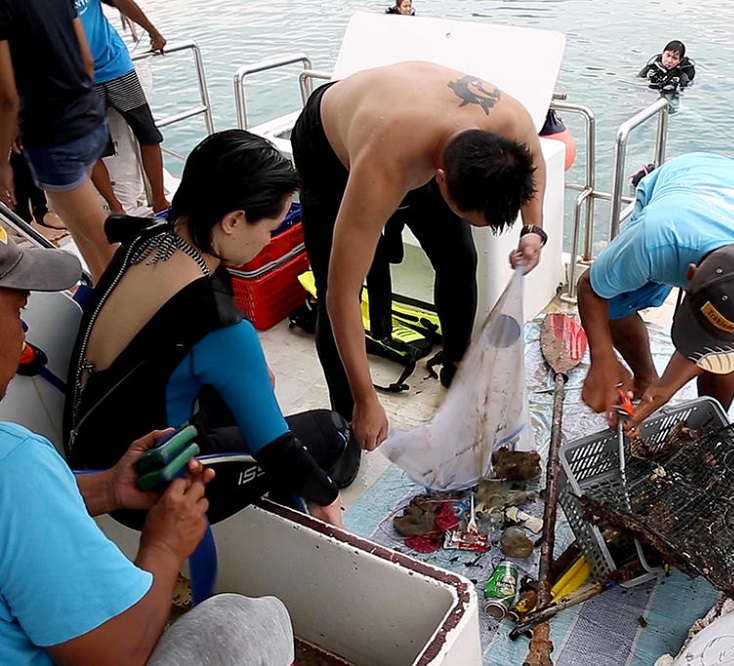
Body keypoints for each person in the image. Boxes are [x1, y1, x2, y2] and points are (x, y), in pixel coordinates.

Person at [0, 230, 295, 664]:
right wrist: (165, 546)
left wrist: (107, 488)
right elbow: (117, 655)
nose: (26, 335)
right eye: (17, 312)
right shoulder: (15, 463)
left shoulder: (138, 252)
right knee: (250, 619)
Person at [64, 130, 359, 529]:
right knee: (332, 432)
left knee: (249, 387)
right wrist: (325, 494)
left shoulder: (145, 240)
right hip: (148, 485)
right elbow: (277, 449)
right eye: (270, 227)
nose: (269, 240)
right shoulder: (218, 325)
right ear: (234, 220)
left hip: (90, 451)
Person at [291, 61, 547, 451]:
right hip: (329, 143)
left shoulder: (511, 121)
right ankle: (344, 420)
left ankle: (457, 363)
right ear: (440, 180)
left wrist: (533, 230)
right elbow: (341, 296)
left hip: (418, 122)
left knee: (460, 258)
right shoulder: (385, 164)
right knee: (335, 280)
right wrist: (367, 399)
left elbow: (536, 165)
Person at [578, 153, 734, 434]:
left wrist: (666, 391)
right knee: (614, 303)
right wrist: (603, 358)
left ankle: (708, 431)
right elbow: (592, 286)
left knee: (723, 361)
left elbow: (717, 353)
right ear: (689, 276)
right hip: (685, 179)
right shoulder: (652, 241)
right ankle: (645, 376)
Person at [0, 0, 116, 280]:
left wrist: (2, 162)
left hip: (54, 137)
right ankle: (103, 298)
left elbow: (8, 97)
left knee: (105, 243)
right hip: (90, 119)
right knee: (85, 234)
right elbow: (86, 62)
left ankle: (144, 311)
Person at [77, 0, 171, 214]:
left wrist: (153, 32)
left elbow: (123, 2)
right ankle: (116, 208)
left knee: (149, 134)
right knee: (92, 149)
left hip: (117, 66)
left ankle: (159, 200)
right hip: (80, 79)